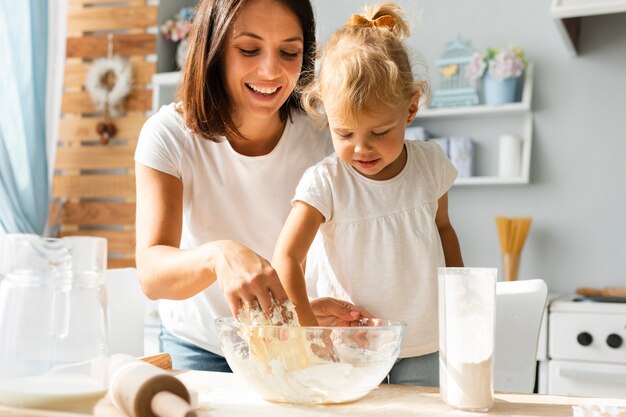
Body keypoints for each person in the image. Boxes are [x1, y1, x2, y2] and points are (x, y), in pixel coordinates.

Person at [134, 0, 370, 372]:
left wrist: (307, 308)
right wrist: (218, 256)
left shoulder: (325, 136)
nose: (270, 70)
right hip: (198, 347)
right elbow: (151, 274)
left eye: (289, 52)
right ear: (214, 48)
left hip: (290, 342)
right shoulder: (169, 134)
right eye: (249, 49)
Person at [271, 3, 464, 387]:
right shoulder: (325, 181)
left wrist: (458, 300)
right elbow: (287, 257)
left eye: (379, 133)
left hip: (424, 341)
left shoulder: (430, 166)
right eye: (344, 134)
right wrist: (309, 335)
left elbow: (443, 230)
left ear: (410, 109)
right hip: (350, 343)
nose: (362, 148)